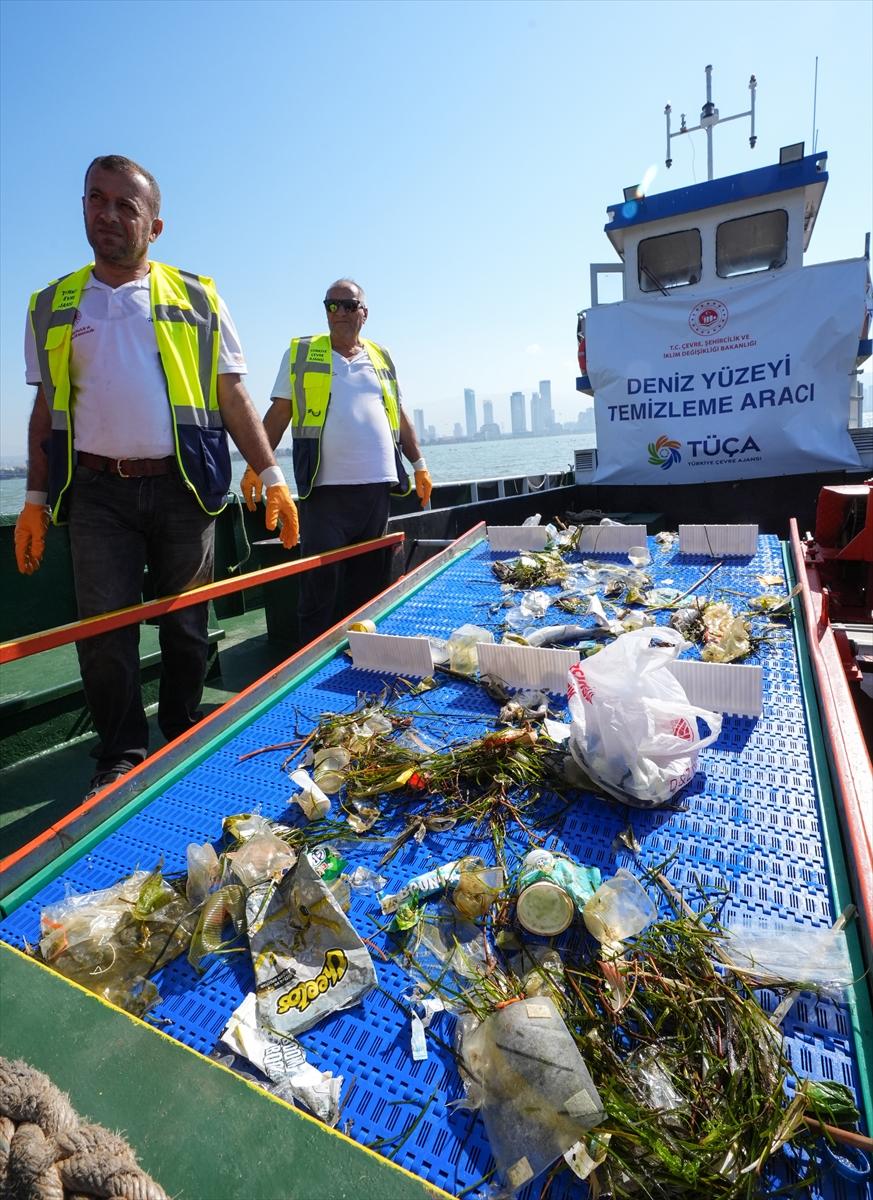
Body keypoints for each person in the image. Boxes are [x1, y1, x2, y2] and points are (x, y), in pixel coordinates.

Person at [14, 154, 299, 798]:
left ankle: (179, 729)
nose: (107, 215)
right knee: (102, 630)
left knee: (187, 621)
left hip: (183, 487)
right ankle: (119, 755)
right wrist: (34, 498)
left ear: (155, 225)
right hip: (94, 494)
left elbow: (232, 395)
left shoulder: (199, 297)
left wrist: (271, 473)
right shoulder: (50, 306)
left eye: (125, 205)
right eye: (96, 200)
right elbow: (44, 410)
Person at [240, 279, 432, 643]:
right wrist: (255, 466)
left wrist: (419, 463)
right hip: (325, 494)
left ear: (364, 313)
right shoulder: (301, 353)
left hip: (377, 491)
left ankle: (363, 655)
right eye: (331, 305)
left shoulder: (381, 356)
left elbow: (398, 413)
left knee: (369, 585)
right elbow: (279, 413)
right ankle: (310, 660)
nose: (339, 312)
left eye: (348, 305)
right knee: (320, 585)